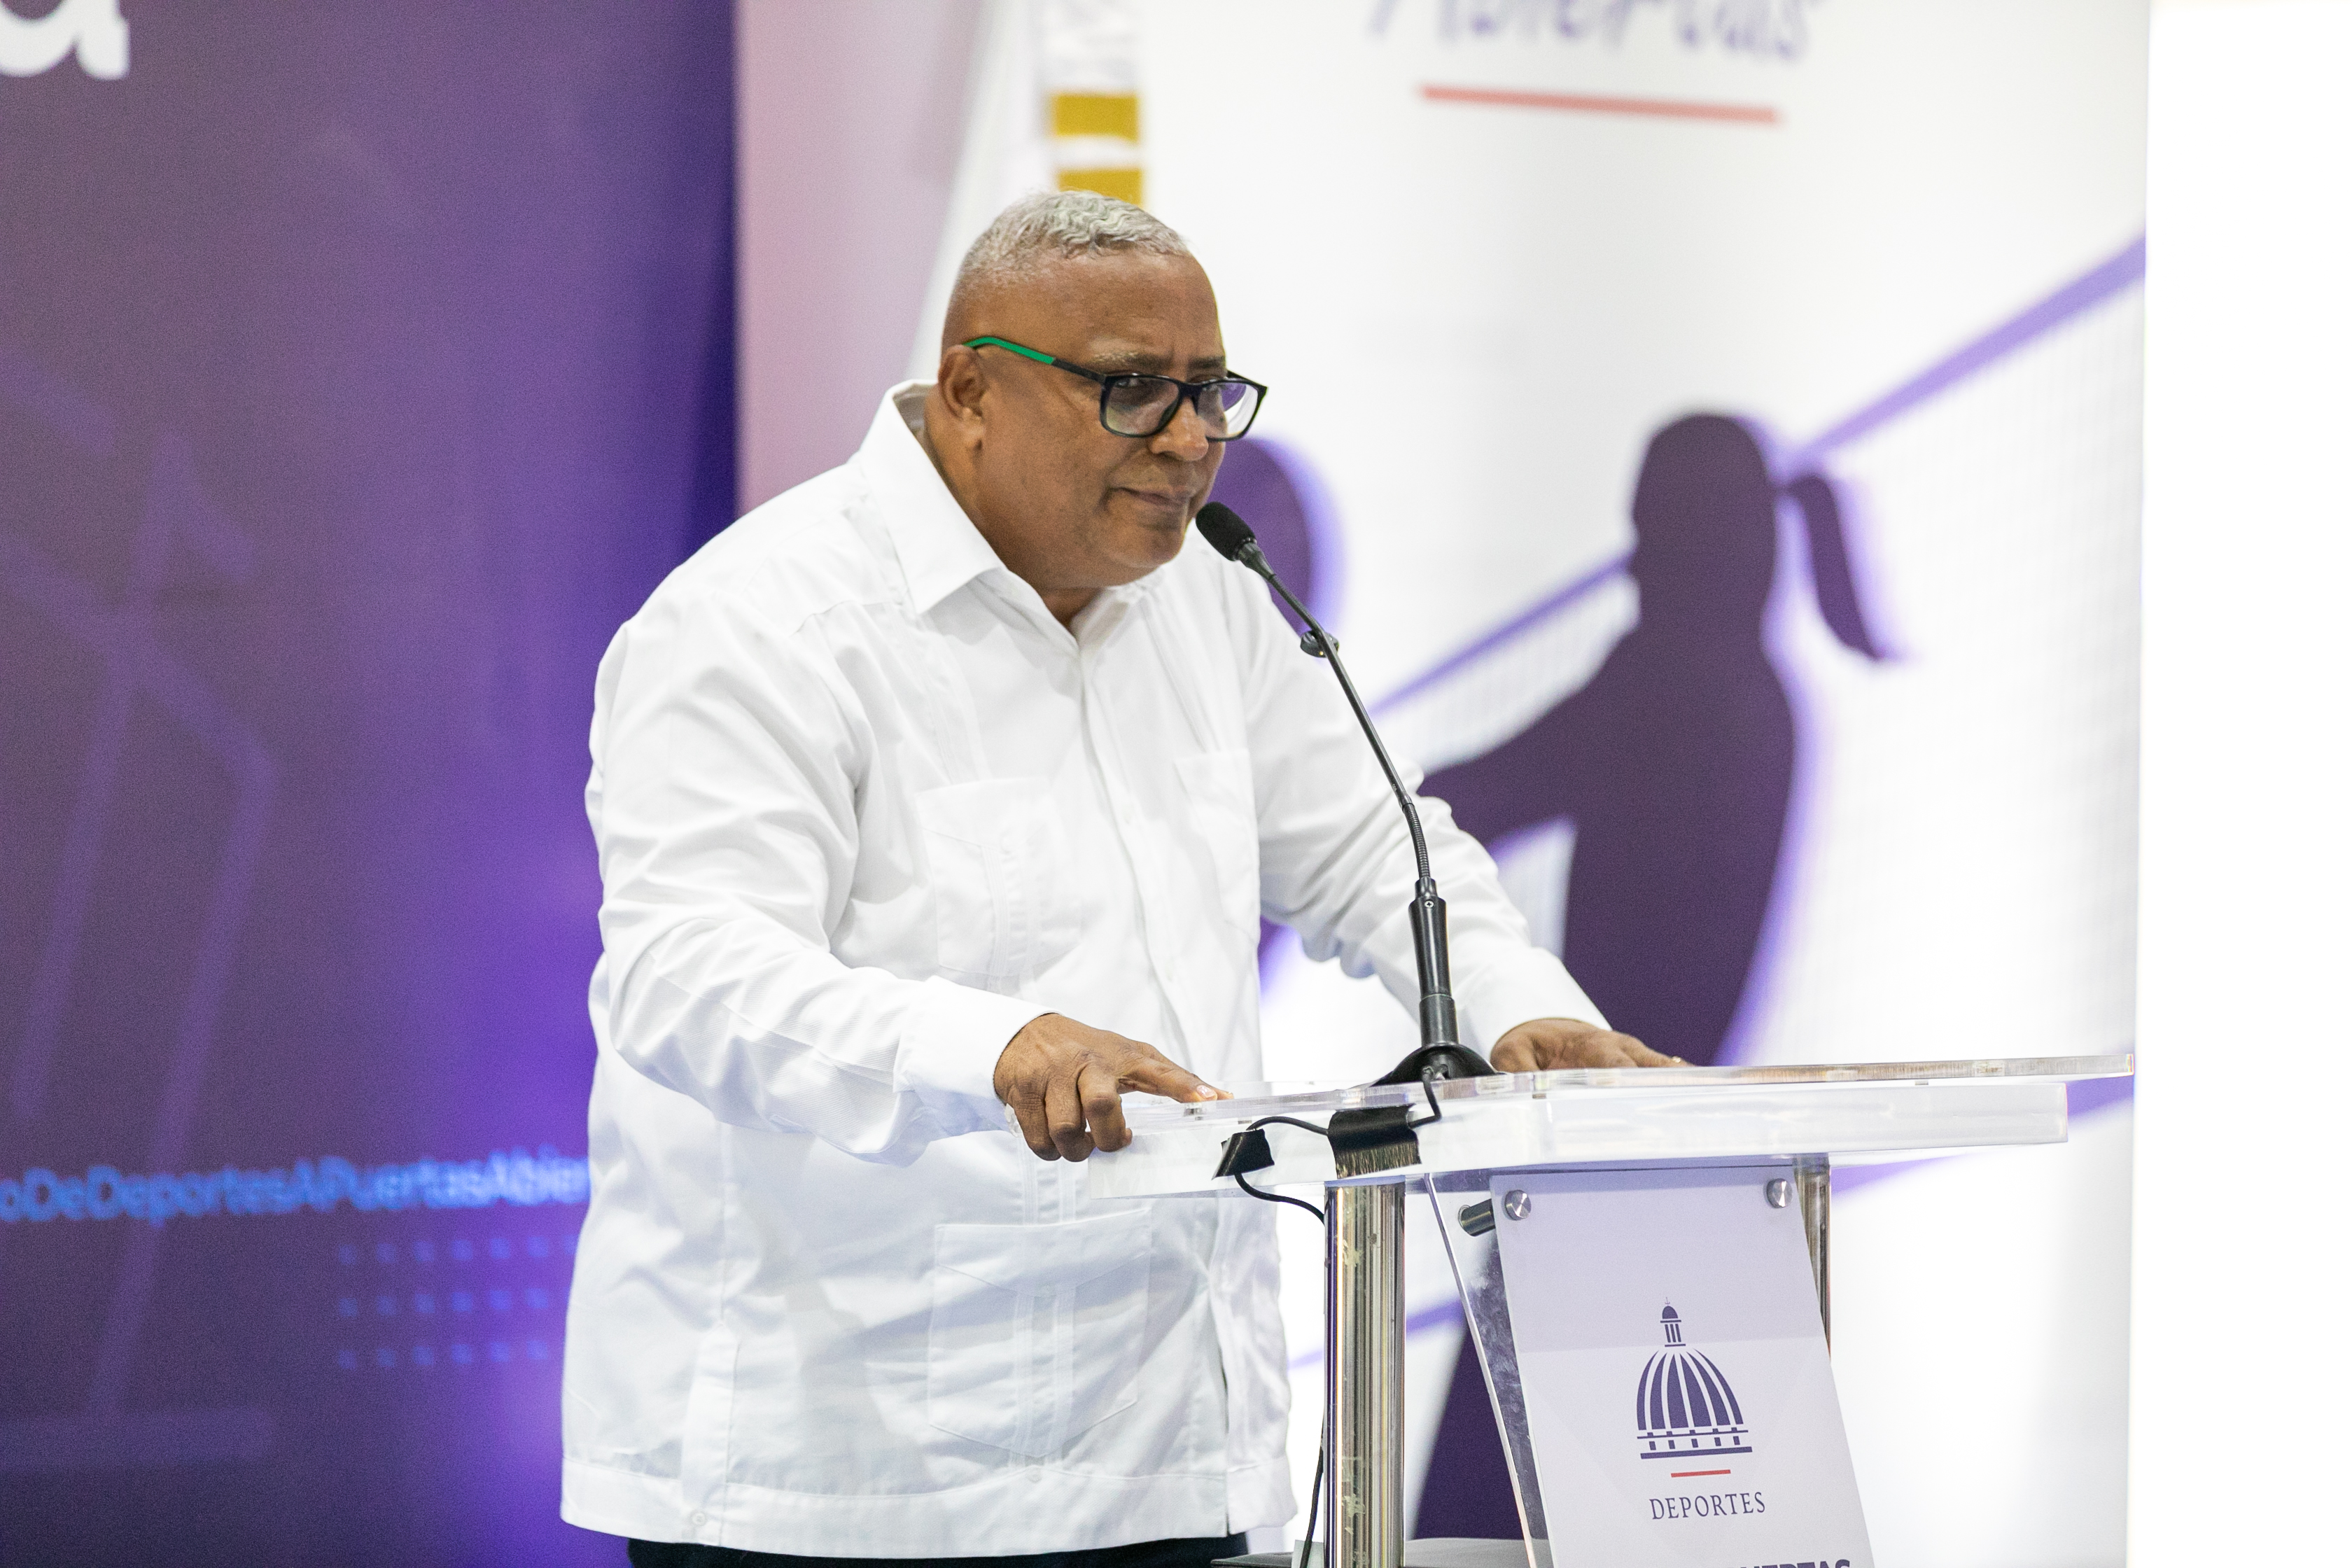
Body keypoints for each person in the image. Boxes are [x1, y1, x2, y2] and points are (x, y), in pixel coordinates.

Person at [561, 190, 1667, 1568]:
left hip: (1162, 1450)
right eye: (1134, 390)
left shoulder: (1209, 601)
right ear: (973, 391)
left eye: (1211, 392)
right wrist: (996, 1045)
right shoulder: (761, 620)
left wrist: (1517, 1006)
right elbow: (691, 979)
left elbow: (1375, 847)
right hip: (842, 1473)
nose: (1193, 439)